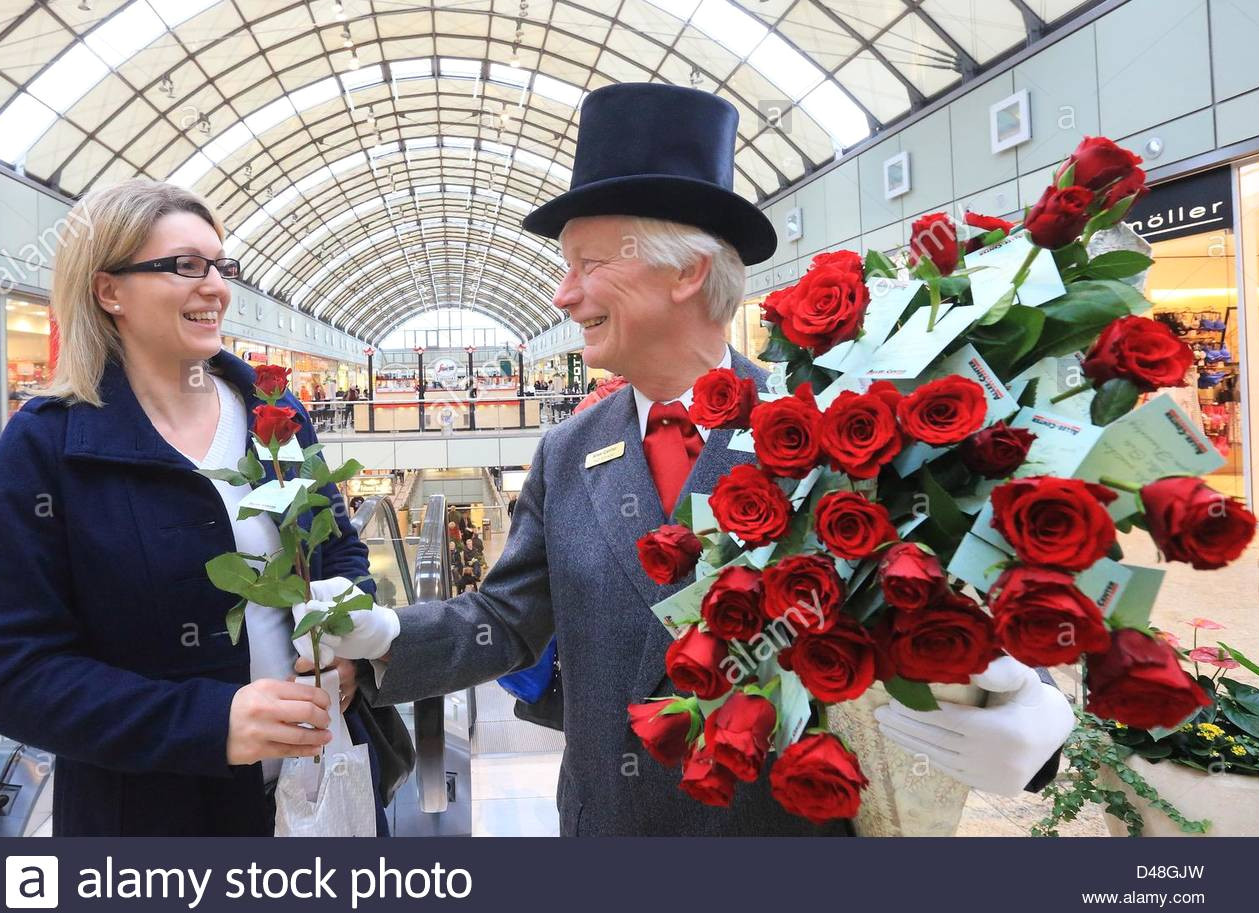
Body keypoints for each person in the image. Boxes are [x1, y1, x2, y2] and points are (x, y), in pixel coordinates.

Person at [296, 83, 1074, 836]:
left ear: (687, 271)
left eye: (587, 263)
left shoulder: (833, 436)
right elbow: (504, 618)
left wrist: (1033, 717)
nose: (563, 296)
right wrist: (387, 633)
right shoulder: (569, 452)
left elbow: (938, 602)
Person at [0, 180, 398, 836]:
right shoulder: (49, 445)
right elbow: (15, 673)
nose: (216, 286)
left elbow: (336, 550)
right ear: (110, 291)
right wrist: (212, 722)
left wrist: (348, 659)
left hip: (319, 796)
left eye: (221, 266)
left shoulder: (273, 413)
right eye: (185, 266)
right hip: (149, 825)